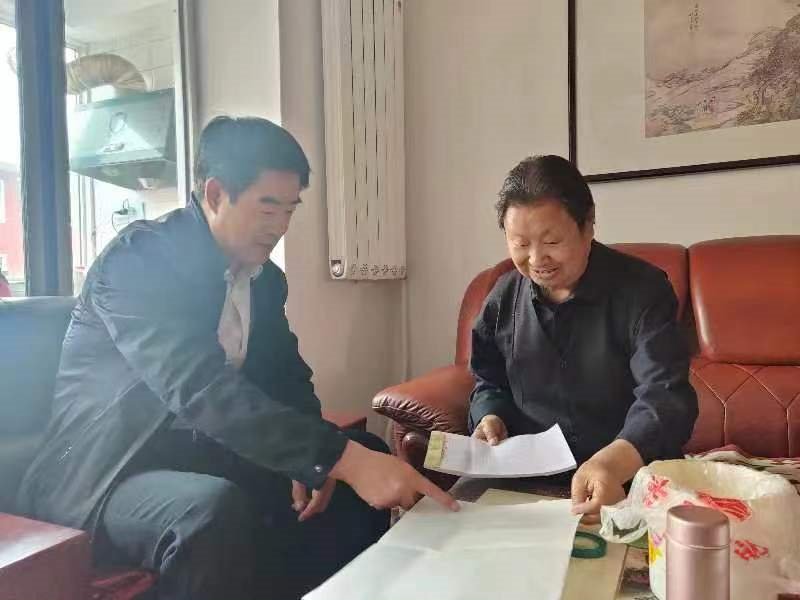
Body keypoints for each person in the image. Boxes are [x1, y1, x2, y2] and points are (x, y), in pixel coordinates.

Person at [18, 116, 457, 600]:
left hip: (197, 451)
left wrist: (318, 460)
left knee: (360, 457)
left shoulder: (263, 279)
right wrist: (333, 457)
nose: (281, 226)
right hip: (107, 472)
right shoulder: (138, 262)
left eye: (290, 210)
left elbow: (287, 378)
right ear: (214, 194)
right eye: (267, 208)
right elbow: (199, 387)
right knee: (208, 511)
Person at [469, 155, 697, 523]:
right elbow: (488, 379)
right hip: (528, 487)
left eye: (552, 241)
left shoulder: (643, 290)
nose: (536, 259)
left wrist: (611, 464)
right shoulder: (502, 297)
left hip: (627, 479)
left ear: (588, 224)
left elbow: (665, 395)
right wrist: (489, 415)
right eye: (520, 243)